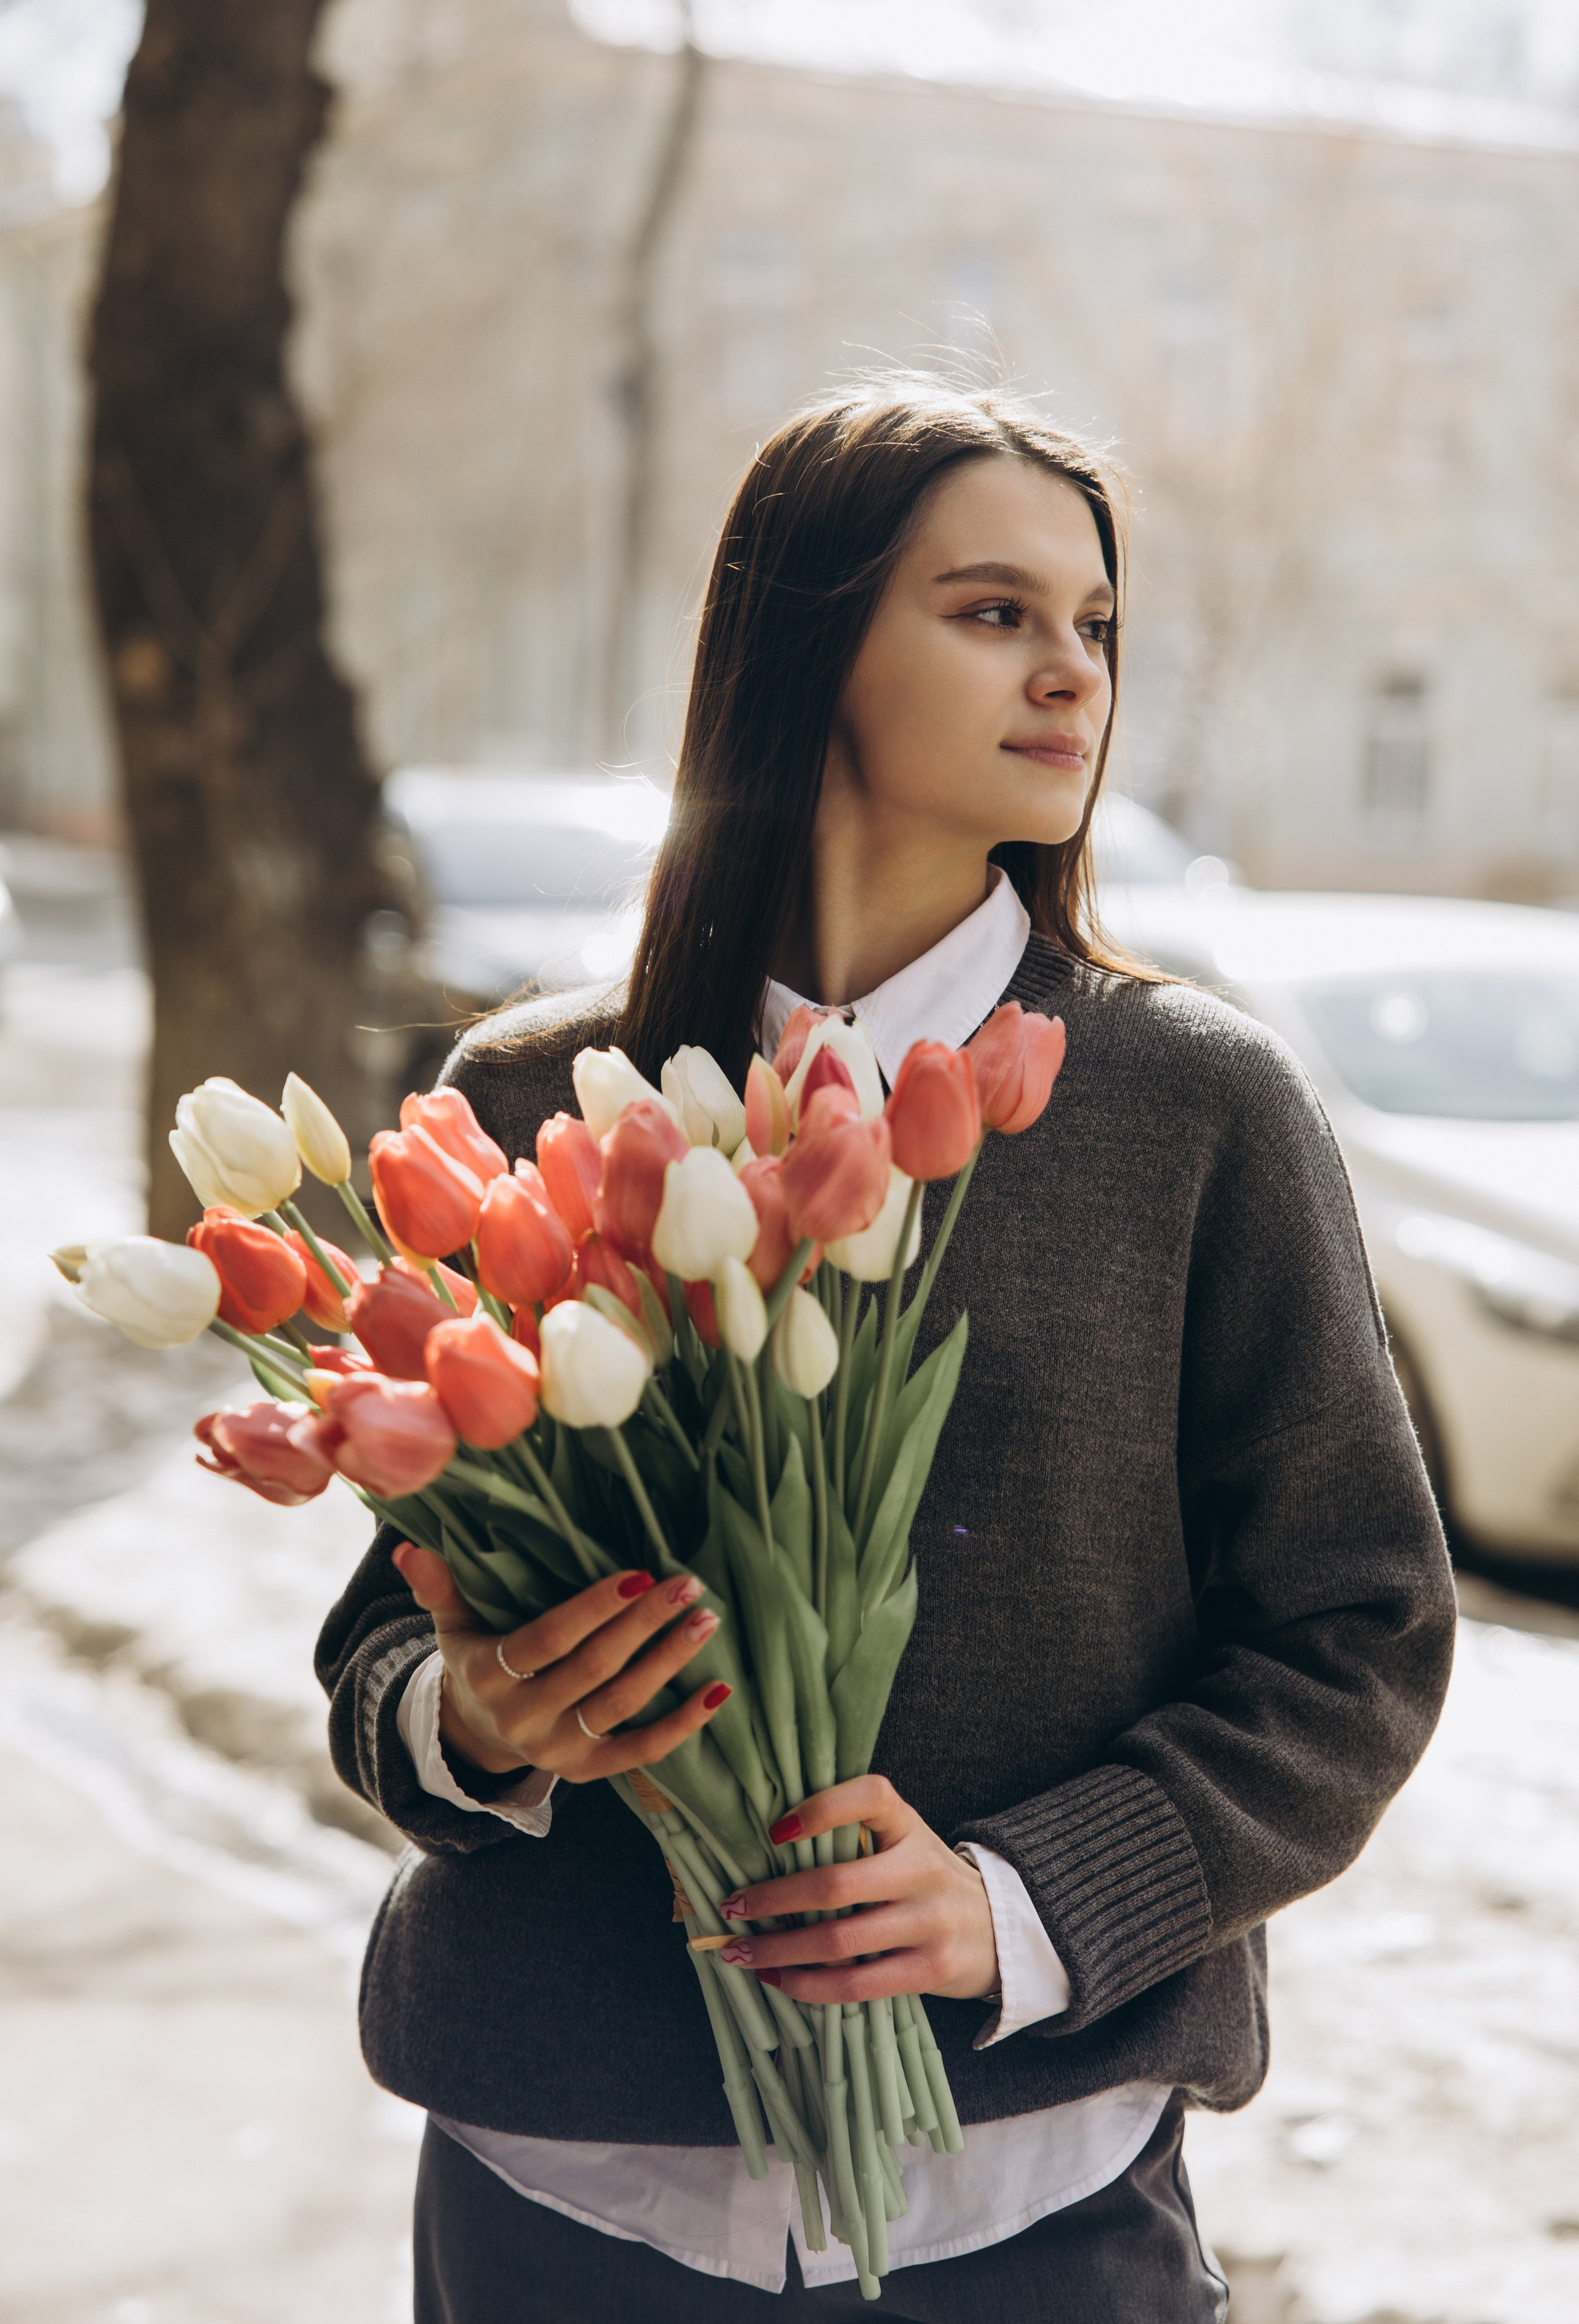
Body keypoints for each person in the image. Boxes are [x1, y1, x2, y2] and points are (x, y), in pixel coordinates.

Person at [317, 378, 1456, 2321]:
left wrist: (1017, 1899)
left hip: (1028, 2193)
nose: (1070, 676)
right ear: (809, 636)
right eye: (993, 611)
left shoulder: (1199, 1108)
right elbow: (384, 1633)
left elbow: (1360, 1635)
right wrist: (485, 1716)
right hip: (559, 2188)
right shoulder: (526, 1094)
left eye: (1093, 625)